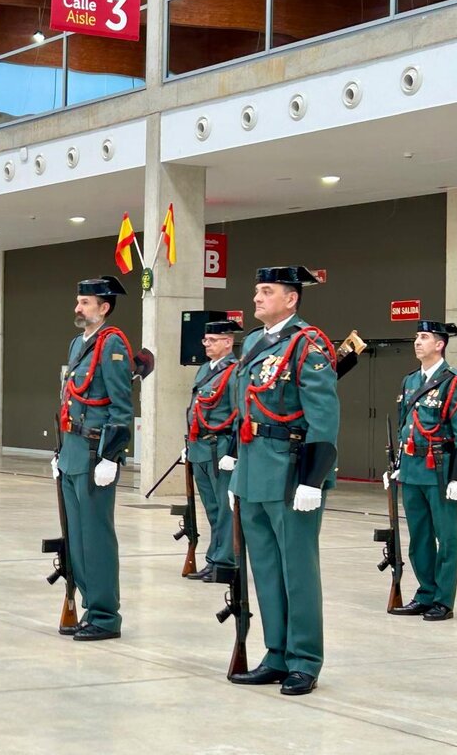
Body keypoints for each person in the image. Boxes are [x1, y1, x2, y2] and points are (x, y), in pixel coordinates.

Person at [225, 265, 338, 696]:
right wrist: (236, 462)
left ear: (291, 299)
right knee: (267, 569)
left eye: (266, 291)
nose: (257, 298)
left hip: (291, 472)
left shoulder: (308, 344)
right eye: (256, 290)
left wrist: (314, 477)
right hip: (254, 470)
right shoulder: (254, 342)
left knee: (297, 569)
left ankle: (304, 659)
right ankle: (275, 653)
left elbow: (323, 417)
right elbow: (245, 409)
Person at [52, 278, 132, 639]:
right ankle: (87, 604)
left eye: (85, 302)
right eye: (77, 301)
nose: (77, 308)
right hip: (72, 450)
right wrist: (60, 450)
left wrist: (111, 457)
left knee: (95, 536)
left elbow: (121, 405)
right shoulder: (77, 344)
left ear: (104, 307)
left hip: (94, 452)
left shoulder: (112, 343)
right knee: (76, 536)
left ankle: (104, 614)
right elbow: (69, 399)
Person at [387, 320, 457, 622]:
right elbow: (405, 428)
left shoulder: (454, 383)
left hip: (440, 471)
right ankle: (425, 594)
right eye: (416, 337)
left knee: (447, 538)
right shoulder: (409, 381)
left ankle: (443, 600)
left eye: (424, 337)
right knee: (419, 537)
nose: (417, 342)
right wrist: (399, 465)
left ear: (440, 344)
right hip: (413, 470)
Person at [183, 320, 244, 581]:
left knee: (225, 508)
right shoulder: (204, 370)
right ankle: (213, 559)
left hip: (220, 448)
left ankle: (226, 562)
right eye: (205, 340)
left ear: (228, 342)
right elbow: (196, 407)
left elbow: (239, 414)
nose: (206, 345)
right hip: (200, 448)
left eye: (213, 340)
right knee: (211, 508)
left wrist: (234, 452)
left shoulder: (235, 372)